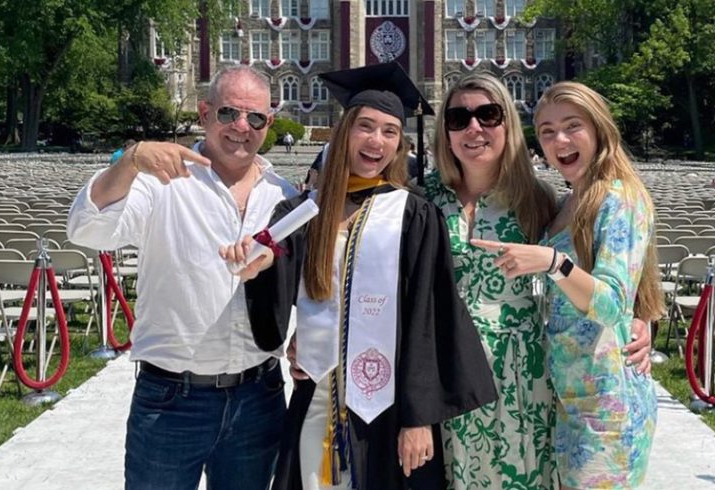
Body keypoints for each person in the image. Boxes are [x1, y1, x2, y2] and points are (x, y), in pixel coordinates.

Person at [223, 61, 497, 490]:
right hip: (316, 397)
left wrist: (419, 418)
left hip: (389, 408)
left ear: (400, 144)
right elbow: (275, 298)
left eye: (390, 131)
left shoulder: (413, 214)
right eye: (365, 126)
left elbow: (428, 318)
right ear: (343, 131)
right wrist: (263, 267)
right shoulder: (303, 211)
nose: (377, 141)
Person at [67, 65, 296, 490]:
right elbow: (87, 228)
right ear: (205, 111)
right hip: (173, 401)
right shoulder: (160, 182)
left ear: (270, 121)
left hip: (257, 396)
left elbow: (300, 278)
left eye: (256, 118)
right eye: (229, 113)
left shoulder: (282, 194)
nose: (241, 128)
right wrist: (132, 159)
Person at [427, 74, 654, 490]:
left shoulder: (540, 200)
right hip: (466, 372)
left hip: (554, 387)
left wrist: (638, 319)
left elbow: (611, 289)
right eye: (458, 118)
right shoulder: (424, 200)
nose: (473, 127)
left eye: (488, 114)